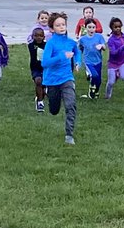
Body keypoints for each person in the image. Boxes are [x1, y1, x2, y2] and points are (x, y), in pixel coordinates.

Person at [42, 12, 80, 144]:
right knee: (54, 110)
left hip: (67, 78)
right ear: (52, 29)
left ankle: (69, 135)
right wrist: (62, 57)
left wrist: (77, 62)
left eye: (63, 24)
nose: (62, 27)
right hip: (52, 80)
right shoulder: (50, 44)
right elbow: (45, 62)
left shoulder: (70, 42)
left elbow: (76, 51)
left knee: (71, 105)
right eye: (58, 25)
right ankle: (50, 99)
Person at [105, 18, 124, 99]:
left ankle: (118, 74)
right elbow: (113, 53)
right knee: (111, 82)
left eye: (119, 27)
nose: (118, 29)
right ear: (112, 28)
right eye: (115, 27)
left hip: (122, 62)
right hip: (113, 63)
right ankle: (107, 96)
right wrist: (123, 47)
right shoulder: (111, 40)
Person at [78, 21, 106, 98]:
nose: (91, 29)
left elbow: (104, 47)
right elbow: (79, 48)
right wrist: (78, 60)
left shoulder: (99, 37)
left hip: (98, 61)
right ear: (85, 28)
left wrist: (101, 46)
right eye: (89, 27)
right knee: (94, 75)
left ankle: (96, 92)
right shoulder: (83, 39)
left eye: (93, 27)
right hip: (88, 61)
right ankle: (92, 87)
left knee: (99, 80)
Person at [27, 27, 48, 112]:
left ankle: (41, 94)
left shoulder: (47, 46)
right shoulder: (31, 46)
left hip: (46, 68)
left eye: (41, 36)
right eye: (36, 35)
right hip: (36, 68)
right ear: (33, 36)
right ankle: (40, 102)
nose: (38, 37)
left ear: (44, 37)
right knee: (38, 81)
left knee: (44, 85)